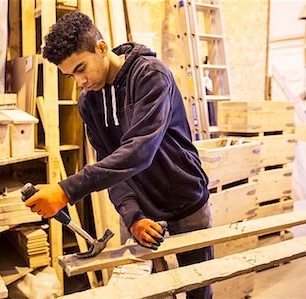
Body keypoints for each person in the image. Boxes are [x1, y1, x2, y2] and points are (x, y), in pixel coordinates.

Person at [25, 11, 213, 298]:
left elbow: (139, 151)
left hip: (186, 200)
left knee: (198, 291)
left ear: (101, 48)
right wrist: (132, 215)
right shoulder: (89, 102)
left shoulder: (151, 75)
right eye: (70, 75)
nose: (80, 81)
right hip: (141, 211)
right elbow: (108, 162)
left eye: (81, 68)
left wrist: (66, 190)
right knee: (146, 293)